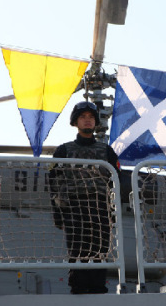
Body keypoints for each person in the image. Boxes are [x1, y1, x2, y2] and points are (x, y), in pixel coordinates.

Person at [49, 101, 120, 294]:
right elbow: (53, 184)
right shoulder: (63, 151)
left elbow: (116, 183)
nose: (87, 121)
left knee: (99, 249)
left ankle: (98, 288)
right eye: (83, 117)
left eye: (90, 118)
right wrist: (58, 214)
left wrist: (114, 212)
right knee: (77, 249)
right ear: (76, 122)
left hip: (99, 207)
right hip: (73, 206)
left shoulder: (107, 152)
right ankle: (78, 289)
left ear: (95, 122)